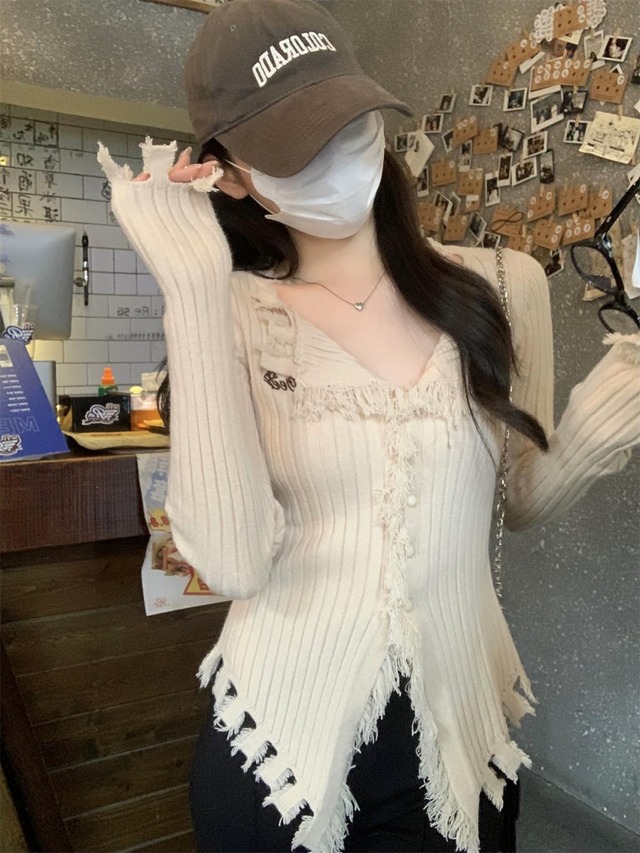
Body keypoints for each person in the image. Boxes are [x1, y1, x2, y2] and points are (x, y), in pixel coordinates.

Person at [97, 1, 640, 851]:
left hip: (459, 728)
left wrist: (601, 422)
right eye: (293, 146)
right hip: (280, 745)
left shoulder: (506, 285)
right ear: (229, 175)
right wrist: (194, 289)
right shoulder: (232, 311)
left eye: (345, 121)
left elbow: (515, 500)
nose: (334, 156)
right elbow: (233, 561)